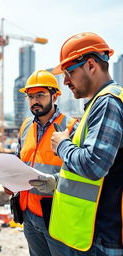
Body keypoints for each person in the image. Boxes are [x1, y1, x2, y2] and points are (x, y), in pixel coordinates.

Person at [34, 32, 123, 255]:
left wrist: (62, 144)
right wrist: (56, 181)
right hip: (91, 232)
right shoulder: (95, 106)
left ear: (91, 65)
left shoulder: (107, 103)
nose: (65, 82)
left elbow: (94, 166)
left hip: (101, 237)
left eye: (69, 73)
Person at [5, 70, 77, 256]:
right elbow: (19, 161)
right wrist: (10, 182)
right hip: (28, 212)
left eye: (40, 95)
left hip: (56, 214)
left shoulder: (71, 127)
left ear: (55, 96)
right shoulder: (26, 126)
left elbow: (80, 172)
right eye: (31, 97)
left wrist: (55, 180)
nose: (35, 101)